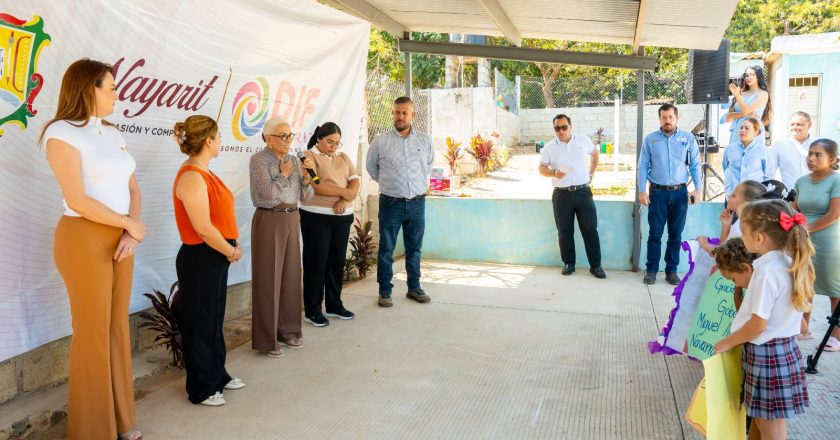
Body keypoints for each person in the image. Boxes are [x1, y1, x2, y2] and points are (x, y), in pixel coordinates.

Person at [41, 58, 145, 440]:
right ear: (90, 88)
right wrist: (128, 224)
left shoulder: (113, 132)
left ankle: (123, 421)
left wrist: (131, 231)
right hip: (83, 237)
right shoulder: (61, 133)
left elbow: (132, 187)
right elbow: (78, 199)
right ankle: (92, 431)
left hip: (122, 237)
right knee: (92, 332)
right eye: (111, 87)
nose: (117, 93)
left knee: (117, 327)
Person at [714, 199, 813, 439]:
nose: (741, 237)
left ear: (758, 238)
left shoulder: (766, 271)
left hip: (767, 356)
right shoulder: (786, 261)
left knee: (771, 426)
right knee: (760, 418)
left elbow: (758, 325)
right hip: (780, 352)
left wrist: (728, 342)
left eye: (743, 232)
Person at [172, 115, 245, 407]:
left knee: (213, 320)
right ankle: (201, 388)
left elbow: (219, 217)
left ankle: (217, 375)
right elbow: (202, 227)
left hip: (214, 255)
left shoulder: (205, 172)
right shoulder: (191, 176)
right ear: (209, 140)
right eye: (219, 136)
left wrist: (232, 242)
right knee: (200, 322)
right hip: (201, 257)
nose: (221, 141)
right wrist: (229, 250)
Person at [249, 117, 314, 356]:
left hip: (292, 217)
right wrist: (283, 174)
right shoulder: (258, 160)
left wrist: (306, 177)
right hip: (270, 218)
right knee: (268, 279)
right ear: (268, 138)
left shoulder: (295, 160)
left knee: (291, 277)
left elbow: (306, 196)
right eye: (283, 136)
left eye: (290, 135)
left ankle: (290, 331)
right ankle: (267, 340)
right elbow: (267, 194)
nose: (288, 140)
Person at [366, 97, 434, 307]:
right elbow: (371, 167)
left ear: (413, 115)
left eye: (405, 113)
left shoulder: (424, 140)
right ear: (392, 113)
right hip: (391, 203)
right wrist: (391, 184)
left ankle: (414, 288)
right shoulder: (380, 141)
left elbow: (428, 165)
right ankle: (385, 291)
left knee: (414, 248)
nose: (401, 116)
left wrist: (413, 185)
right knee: (386, 249)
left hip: (417, 203)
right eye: (397, 112)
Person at [301, 122, 360, 326]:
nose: (334, 147)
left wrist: (344, 199)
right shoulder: (308, 156)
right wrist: (344, 192)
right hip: (316, 217)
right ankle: (312, 310)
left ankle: (334, 304)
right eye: (329, 142)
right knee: (316, 265)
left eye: (337, 143)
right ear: (319, 138)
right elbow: (316, 185)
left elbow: (354, 181)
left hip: (342, 217)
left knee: (336, 264)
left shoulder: (343, 157)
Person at [638, 104, 702, 285]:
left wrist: (698, 189)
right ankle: (651, 270)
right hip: (657, 193)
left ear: (677, 118)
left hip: (680, 193)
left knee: (675, 235)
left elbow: (695, 165)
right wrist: (642, 190)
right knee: (655, 234)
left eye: (670, 117)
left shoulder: (688, 138)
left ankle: (671, 271)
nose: (667, 121)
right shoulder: (650, 140)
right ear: (660, 119)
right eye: (664, 117)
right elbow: (643, 166)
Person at [538, 114, 606, 279]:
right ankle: (569, 264)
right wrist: (554, 172)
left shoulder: (583, 140)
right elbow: (541, 168)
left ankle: (596, 266)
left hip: (583, 192)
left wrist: (591, 173)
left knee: (590, 229)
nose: (561, 131)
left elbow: (595, 154)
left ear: (571, 127)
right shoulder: (549, 147)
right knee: (564, 231)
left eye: (564, 127)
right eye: (557, 128)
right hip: (561, 194)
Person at [793, 139, 840, 346]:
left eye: (818, 154)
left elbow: (834, 214)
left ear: (832, 159)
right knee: (804, 285)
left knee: (834, 290)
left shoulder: (837, 181)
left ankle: (836, 336)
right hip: (803, 241)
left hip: (829, 243)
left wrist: (807, 229)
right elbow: (794, 208)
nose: (811, 158)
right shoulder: (801, 181)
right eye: (810, 153)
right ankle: (803, 329)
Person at [722, 118, 769, 198]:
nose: (743, 130)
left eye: (747, 128)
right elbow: (725, 168)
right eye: (741, 128)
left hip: (754, 196)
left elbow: (767, 175)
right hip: (732, 195)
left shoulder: (763, 150)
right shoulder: (729, 149)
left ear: (755, 132)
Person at [724, 65, 770, 143]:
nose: (748, 77)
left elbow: (746, 110)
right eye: (746, 75)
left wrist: (737, 95)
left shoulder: (763, 94)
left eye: (752, 75)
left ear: (758, 76)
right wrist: (745, 114)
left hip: (753, 130)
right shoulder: (740, 94)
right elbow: (728, 116)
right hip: (737, 131)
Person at [767, 112, 813, 188]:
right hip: (790, 193)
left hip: (815, 191)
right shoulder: (779, 145)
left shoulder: (818, 144)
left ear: (810, 125)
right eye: (792, 124)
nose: (795, 127)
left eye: (799, 124)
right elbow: (769, 171)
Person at [711, 238, 756, 311]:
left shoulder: (762, 289)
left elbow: (742, 314)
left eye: (733, 279)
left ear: (745, 268)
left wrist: (736, 297)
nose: (736, 285)